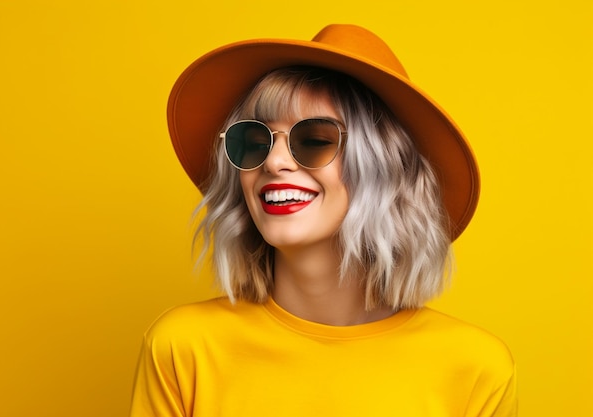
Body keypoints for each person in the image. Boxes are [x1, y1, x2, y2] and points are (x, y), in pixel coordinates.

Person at [129, 24, 517, 416]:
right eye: (254, 142)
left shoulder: (474, 370)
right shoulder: (183, 349)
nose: (274, 161)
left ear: (385, 167)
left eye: (313, 140)